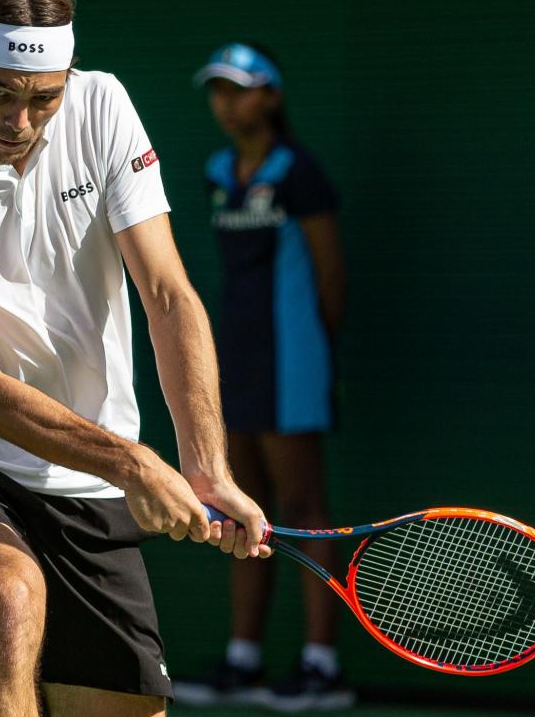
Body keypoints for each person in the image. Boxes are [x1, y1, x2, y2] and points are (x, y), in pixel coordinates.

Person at [0, 0, 268, 717]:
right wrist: (135, 461)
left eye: (45, 97)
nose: (22, 121)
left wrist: (206, 467)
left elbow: (168, 296)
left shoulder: (103, 106)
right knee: (7, 599)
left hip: (88, 486)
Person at [172, 43, 352, 712]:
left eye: (240, 90)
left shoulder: (299, 171)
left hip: (293, 362)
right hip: (234, 363)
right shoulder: (220, 171)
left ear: (271, 96)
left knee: (305, 510)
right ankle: (243, 659)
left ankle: (321, 665)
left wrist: (315, 356)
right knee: (241, 510)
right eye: (218, 90)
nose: (227, 103)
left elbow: (330, 274)